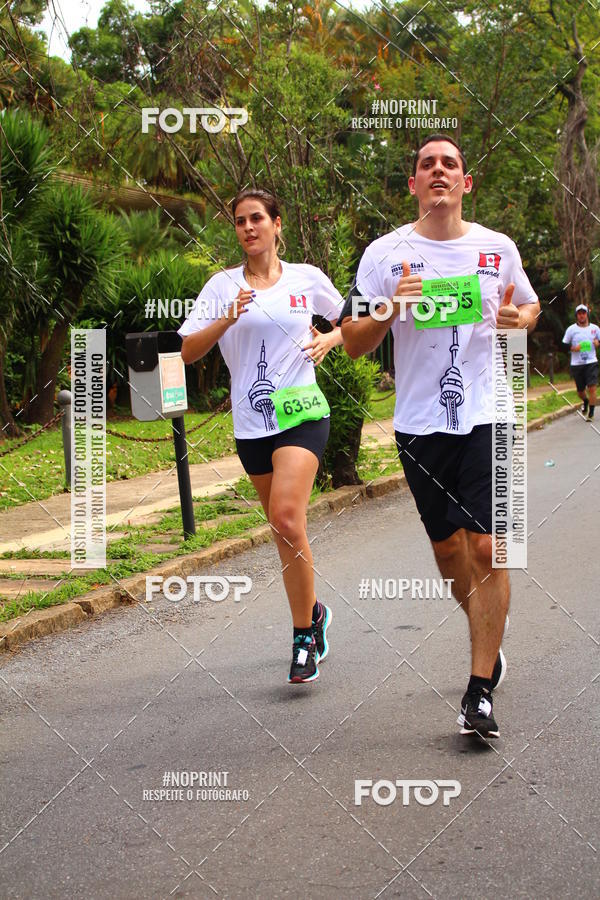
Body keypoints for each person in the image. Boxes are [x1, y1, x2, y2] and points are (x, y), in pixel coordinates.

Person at [340, 134, 540, 738]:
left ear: (465, 182)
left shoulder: (496, 248)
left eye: (449, 163)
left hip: (491, 414)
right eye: (426, 164)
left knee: (487, 548)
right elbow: (350, 340)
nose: (438, 172)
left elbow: (529, 308)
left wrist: (518, 321)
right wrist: (386, 311)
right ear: (413, 185)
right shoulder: (384, 254)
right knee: (450, 553)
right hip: (421, 426)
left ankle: (478, 691)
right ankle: (488, 636)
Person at [179, 188, 344, 684]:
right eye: (239, 221)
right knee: (283, 531)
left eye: (257, 218)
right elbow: (187, 351)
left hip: (303, 413)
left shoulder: (306, 279)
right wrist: (227, 316)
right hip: (252, 425)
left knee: (287, 519)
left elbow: (354, 321)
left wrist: (330, 339)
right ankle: (313, 610)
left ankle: (302, 641)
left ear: (276, 224)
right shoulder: (220, 285)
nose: (248, 227)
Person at [562, 304, 600, 421]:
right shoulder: (571, 329)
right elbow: (564, 345)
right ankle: (585, 400)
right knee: (580, 391)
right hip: (577, 363)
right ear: (576, 316)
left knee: (592, 388)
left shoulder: (595, 328)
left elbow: (599, 340)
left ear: (587, 314)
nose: (582, 316)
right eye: (579, 314)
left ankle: (591, 413)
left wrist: (598, 343)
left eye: (584, 313)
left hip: (591, 361)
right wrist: (573, 348)